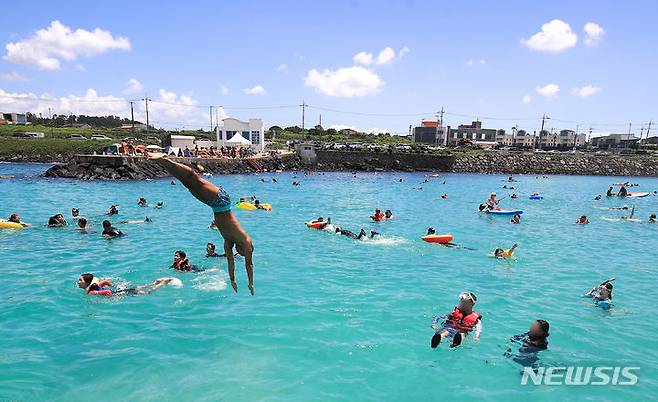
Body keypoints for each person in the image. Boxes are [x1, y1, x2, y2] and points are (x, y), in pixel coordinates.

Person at [148, 153, 254, 295]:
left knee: (188, 183)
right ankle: (164, 159)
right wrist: (250, 283)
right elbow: (249, 264)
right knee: (193, 178)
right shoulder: (245, 240)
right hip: (221, 200)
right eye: (244, 253)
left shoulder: (229, 241)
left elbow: (231, 262)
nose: (242, 254)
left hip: (214, 205)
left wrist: (232, 280)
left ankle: (162, 162)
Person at [77, 273, 179, 297]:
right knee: (141, 288)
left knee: (147, 292)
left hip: (121, 294)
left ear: (86, 282)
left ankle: (162, 283)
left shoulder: (91, 291)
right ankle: (155, 282)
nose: (78, 282)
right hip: (121, 290)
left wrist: (112, 298)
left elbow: (107, 292)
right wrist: (112, 287)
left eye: (80, 280)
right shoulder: (95, 284)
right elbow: (105, 282)